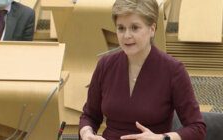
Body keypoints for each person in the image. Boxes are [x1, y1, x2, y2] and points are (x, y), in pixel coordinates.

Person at [79, 0, 206, 140]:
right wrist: (87, 134)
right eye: (121, 28)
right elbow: (89, 115)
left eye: (135, 28)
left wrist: (162, 138)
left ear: (152, 29)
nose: (126, 35)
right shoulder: (105, 65)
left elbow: (197, 128)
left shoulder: (173, 70)